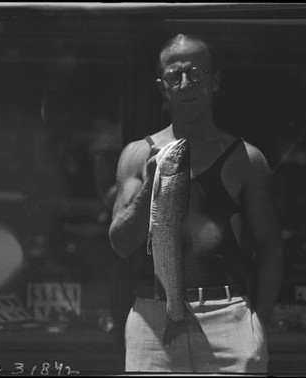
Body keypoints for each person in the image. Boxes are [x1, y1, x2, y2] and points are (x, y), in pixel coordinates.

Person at [109, 34, 283, 373]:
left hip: (227, 312)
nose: (186, 83)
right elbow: (120, 244)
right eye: (175, 76)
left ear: (215, 80)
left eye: (196, 73)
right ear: (163, 88)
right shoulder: (136, 154)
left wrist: (256, 325)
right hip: (152, 317)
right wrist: (150, 186)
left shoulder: (246, 158)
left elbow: (270, 249)